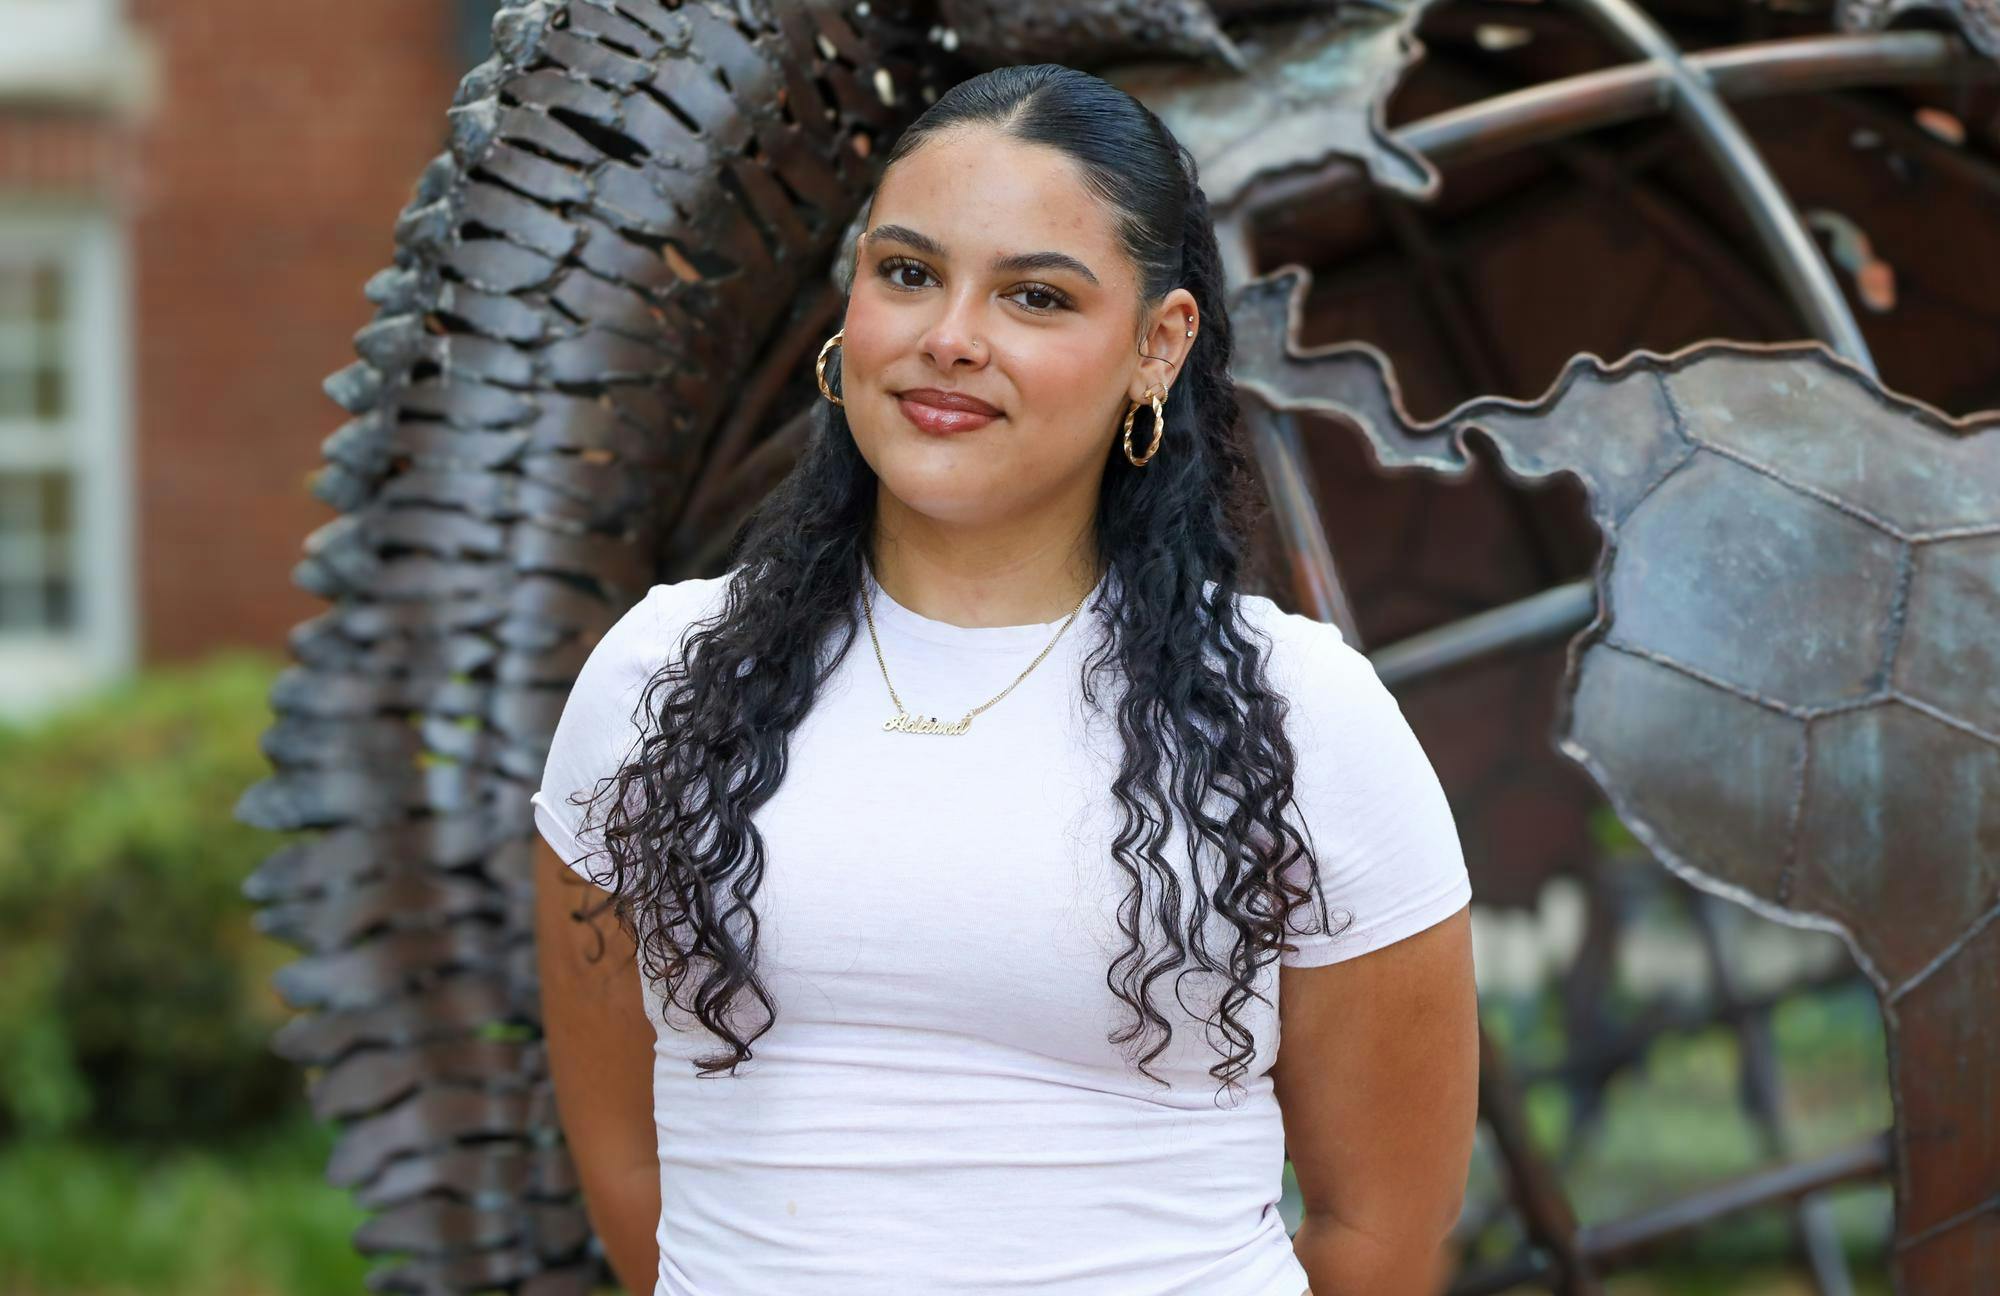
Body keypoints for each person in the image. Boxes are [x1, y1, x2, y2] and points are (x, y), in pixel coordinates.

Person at [531, 62, 1477, 1296]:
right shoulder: (660, 678)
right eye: (908, 273)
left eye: (1034, 296)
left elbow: (1380, 1233)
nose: (949, 340)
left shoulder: (1298, 715)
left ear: (1156, 345)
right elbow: (628, 1172)